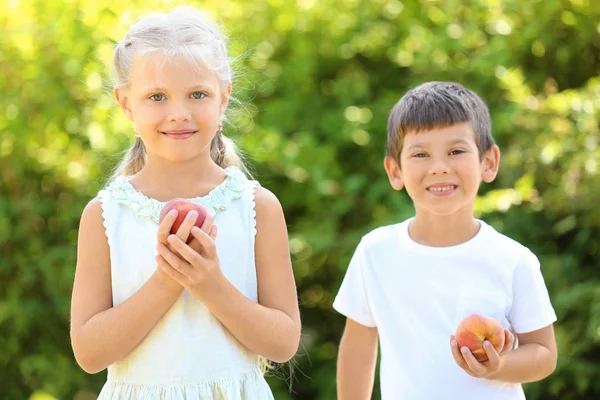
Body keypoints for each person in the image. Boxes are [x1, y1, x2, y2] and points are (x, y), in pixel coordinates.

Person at [69, 6, 300, 399]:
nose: (178, 114)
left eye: (198, 94)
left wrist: (209, 285)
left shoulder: (258, 207)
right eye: (157, 96)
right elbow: (90, 354)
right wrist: (167, 280)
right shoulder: (105, 216)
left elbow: (283, 343)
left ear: (223, 98)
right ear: (126, 104)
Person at [333, 81, 558, 399]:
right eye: (421, 154)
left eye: (456, 151)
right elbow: (357, 346)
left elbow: (544, 354)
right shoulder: (375, 252)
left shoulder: (513, 259)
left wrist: (498, 365)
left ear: (489, 162)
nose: (439, 167)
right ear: (395, 171)